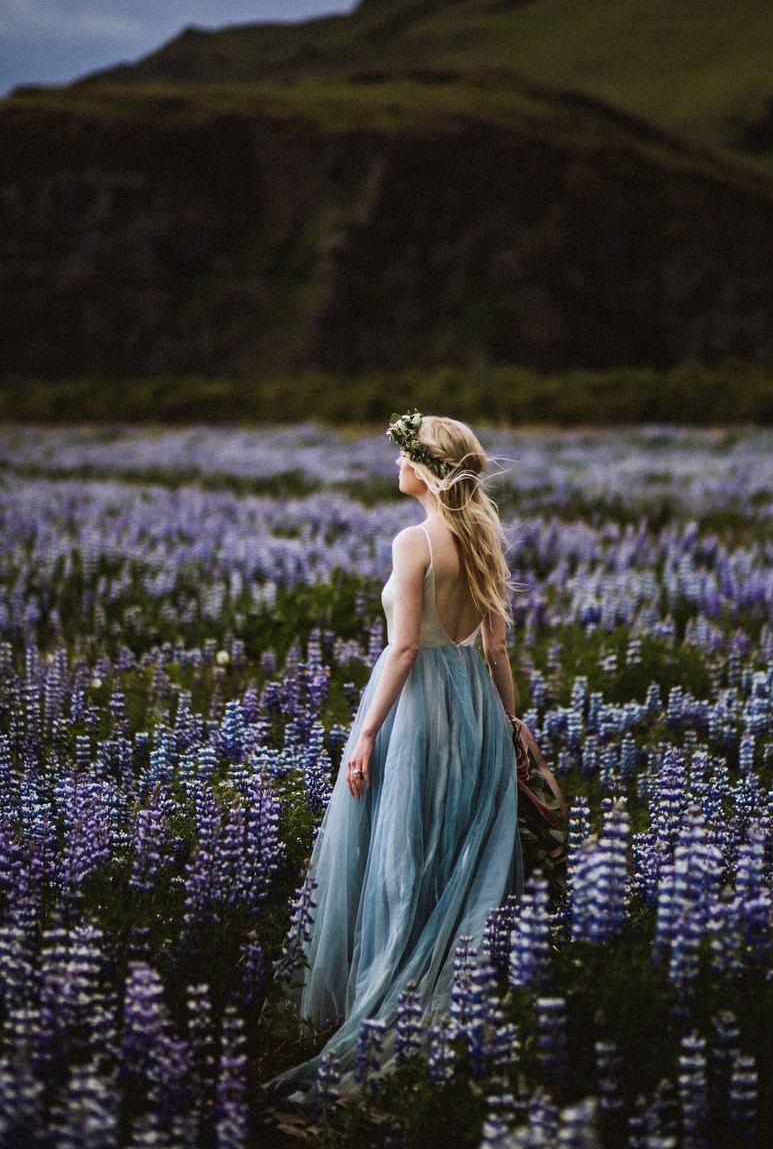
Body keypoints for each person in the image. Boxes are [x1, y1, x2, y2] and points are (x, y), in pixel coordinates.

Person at [263, 411, 524, 1102]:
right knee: (461, 853)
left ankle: (390, 996)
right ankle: (459, 1005)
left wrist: (369, 732)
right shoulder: (483, 537)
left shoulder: (414, 542)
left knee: (402, 856)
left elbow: (403, 649)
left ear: (426, 470)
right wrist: (512, 722)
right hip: (474, 709)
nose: (394, 463)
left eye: (404, 454)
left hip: (418, 709)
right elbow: (496, 650)